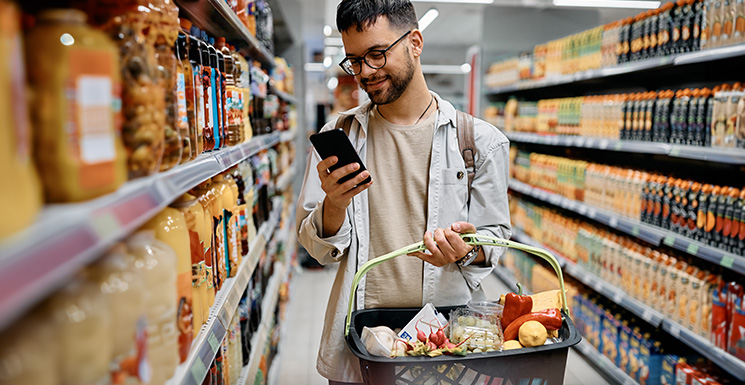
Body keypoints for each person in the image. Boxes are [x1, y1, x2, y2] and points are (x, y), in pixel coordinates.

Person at [295, 1, 511, 383]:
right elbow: (319, 250)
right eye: (355, 61)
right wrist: (334, 203)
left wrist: (468, 247)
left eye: (377, 55)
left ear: (415, 42)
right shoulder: (338, 137)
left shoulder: (480, 142)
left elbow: (495, 238)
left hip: (443, 343)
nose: (365, 72)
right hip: (361, 341)